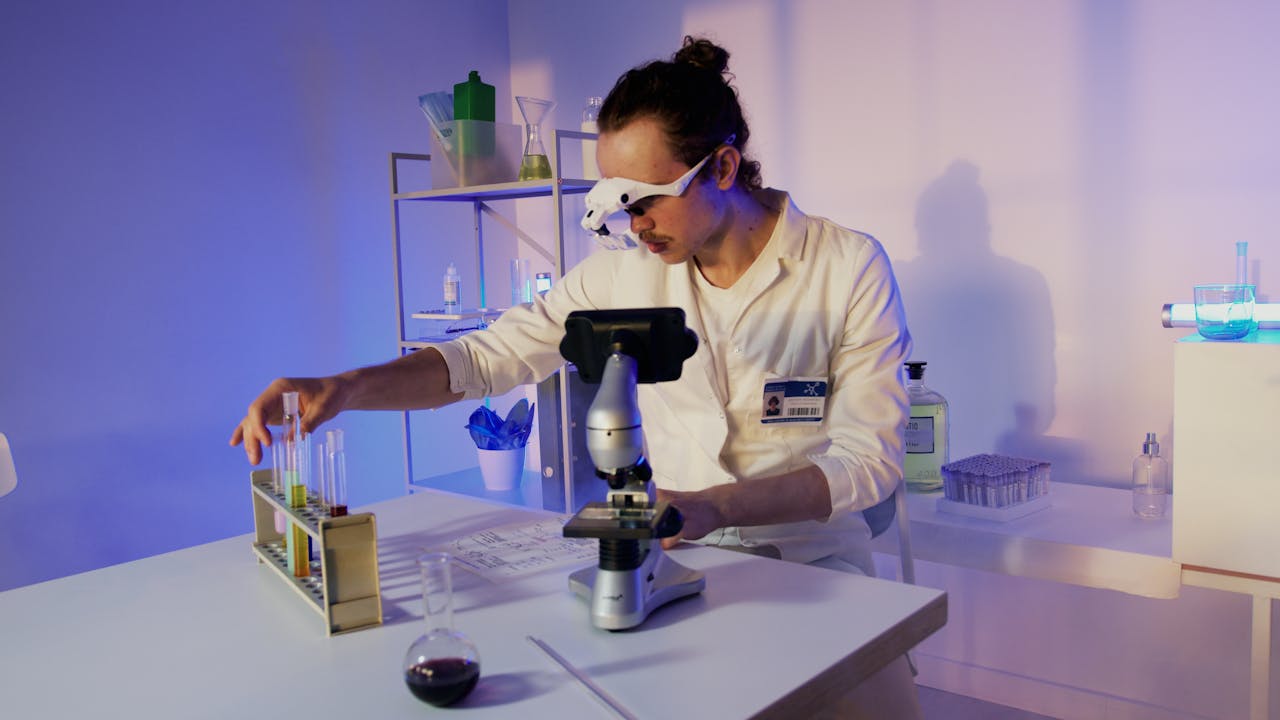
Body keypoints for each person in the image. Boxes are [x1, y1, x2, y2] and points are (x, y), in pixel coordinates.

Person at [232, 36, 916, 715]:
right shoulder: (622, 272)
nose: (631, 221)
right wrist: (344, 388)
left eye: (645, 198)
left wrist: (717, 507)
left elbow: (869, 462)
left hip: (816, 571)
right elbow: (484, 359)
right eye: (615, 199)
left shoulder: (846, 266)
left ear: (724, 167)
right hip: (678, 566)